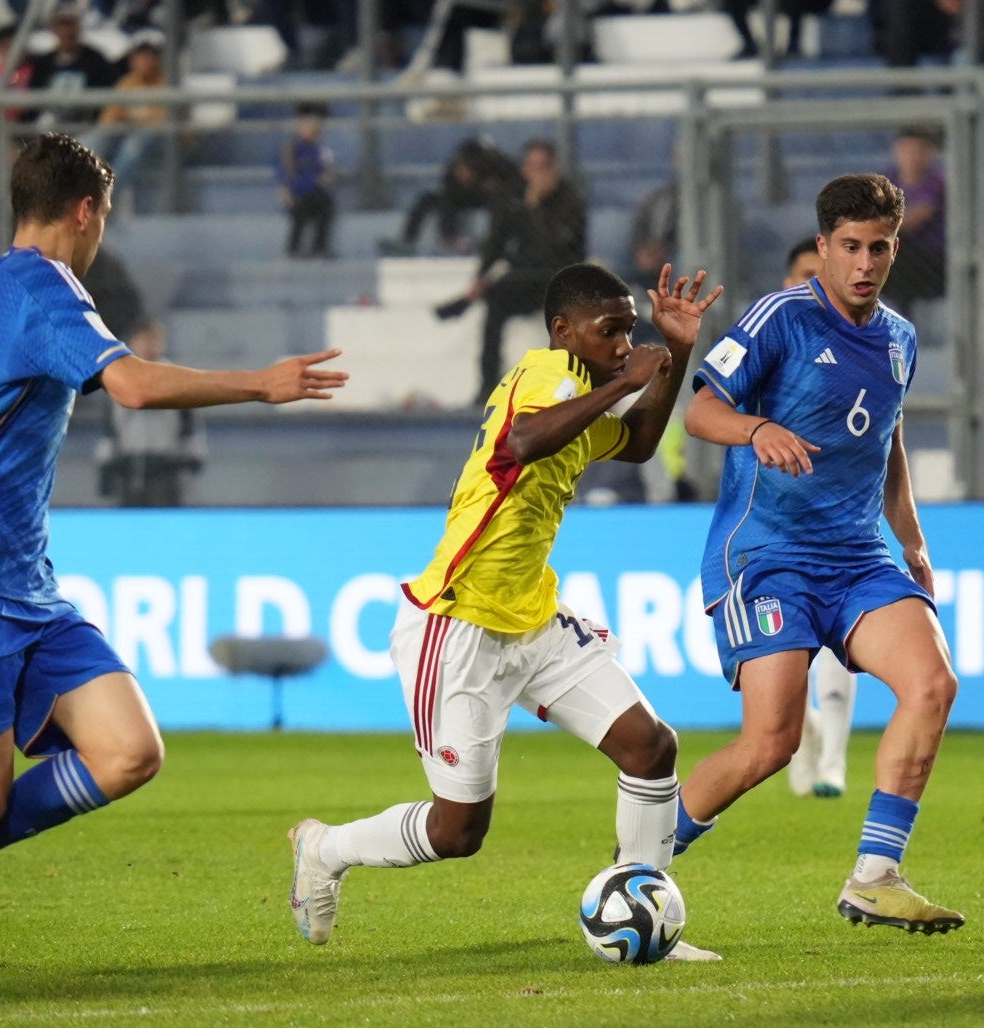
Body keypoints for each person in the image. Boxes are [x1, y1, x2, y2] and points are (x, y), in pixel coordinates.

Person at [0, 133, 350, 1014]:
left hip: (24, 585)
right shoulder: (46, 290)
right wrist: (259, 384)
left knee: (128, 751)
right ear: (86, 211)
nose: (100, 235)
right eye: (104, 219)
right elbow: (133, 389)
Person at [285, 262, 723, 959]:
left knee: (651, 747)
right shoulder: (542, 376)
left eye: (628, 331)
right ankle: (326, 847)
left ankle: (648, 918)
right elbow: (523, 443)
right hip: (456, 624)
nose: (620, 343)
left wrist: (674, 353)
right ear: (562, 331)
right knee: (459, 833)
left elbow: (639, 443)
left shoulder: (584, 395)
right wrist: (623, 380)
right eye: (608, 331)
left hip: (534, 619)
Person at [674, 174, 964, 934]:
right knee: (771, 743)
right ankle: (638, 861)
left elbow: (888, 439)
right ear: (825, 247)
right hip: (768, 555)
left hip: (859, 555)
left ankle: (876, 875)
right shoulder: (781, 319)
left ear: (894, 249)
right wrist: (756, 430)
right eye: (849, 247)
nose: (864, 263)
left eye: (879, 248)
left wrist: (913, 540)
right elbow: (701, 412)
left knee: (933, 684)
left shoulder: (900, 337)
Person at [767, 238, 859, 801]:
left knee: (839, 645)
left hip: (840, 523)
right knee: (784, 659)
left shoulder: (856, 342)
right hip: (775, 524)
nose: (810, 286)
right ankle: (807, 752)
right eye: (801, 276)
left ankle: (834, 763)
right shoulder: (766, 342)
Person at [458, 139, 588, 404]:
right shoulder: (512, 198)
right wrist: (480, 277)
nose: (538, 173)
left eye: (544, 166)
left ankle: (573, 386)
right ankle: (487, 386)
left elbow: (559, 247)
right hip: (525, 275)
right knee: (494, 304)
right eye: (532, 166)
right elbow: (497, 241)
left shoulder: (570, 200)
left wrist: (536, 207)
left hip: (560, 277)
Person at [95, 318, 207, 506]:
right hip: (129, 469)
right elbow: (110, 429)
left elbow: (189, 427)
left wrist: (190, 461)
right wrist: (106, 467)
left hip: (166, 470)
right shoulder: (118, 380)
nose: (148, 346)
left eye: (153, 340)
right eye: (143, 340)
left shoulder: (177, 380)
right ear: (132, 343)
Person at [382, 137, 520, 257]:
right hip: (462, 197)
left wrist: (497, 185)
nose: (463, 175)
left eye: (466, 172)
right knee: (430, 199)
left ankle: (494, 241)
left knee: (500, 203)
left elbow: (514, 176)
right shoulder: (454, 169)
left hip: (488, 196)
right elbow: (448, 190)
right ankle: (413, 240)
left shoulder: (494, 162)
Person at [85, 37, 168, 207]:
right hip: (125, 135)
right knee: (94, 139)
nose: (145, 61)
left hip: (162, 145)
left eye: (150, 56)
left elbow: (160, 123)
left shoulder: (167, 83)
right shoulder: (127, 83)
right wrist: (124, 120)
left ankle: (106, 196)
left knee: (136, 143)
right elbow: (107, 119)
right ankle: (76, 192)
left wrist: (130, 118)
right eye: (141, 56)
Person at [883, 128, 946, 303]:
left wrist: (882, 224)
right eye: (905, 149)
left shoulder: (936, 180)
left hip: (931, 257)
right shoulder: (886, 179)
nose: (910, 156)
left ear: (928, 153)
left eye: (916, 150)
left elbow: (919, 216)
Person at [277, 108, 336, 258]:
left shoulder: (320, 148)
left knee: (326, 208)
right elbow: (285, 170)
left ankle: (319, 248)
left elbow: (328, 168)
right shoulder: (291, 148)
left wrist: (326, 177)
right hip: (298, 191)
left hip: (315, 190)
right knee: (300, 212)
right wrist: (285, 189)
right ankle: (293, 249)